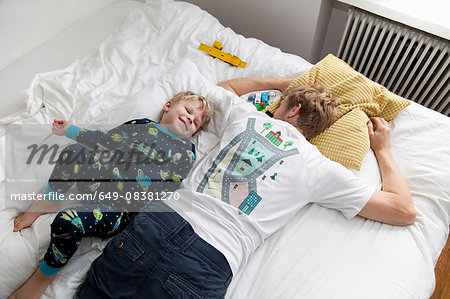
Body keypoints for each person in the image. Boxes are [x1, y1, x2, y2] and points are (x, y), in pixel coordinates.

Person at [73, 77, 414, 298]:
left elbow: (222, 89)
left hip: (162, 222)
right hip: (212, 258)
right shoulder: (318, 167)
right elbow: (402, 210)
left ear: (291, 108)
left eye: (280, 103)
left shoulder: (249, 117)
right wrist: (383, 150)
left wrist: (280, 82)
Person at [8, 91, 211, 299]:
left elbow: (170, 187)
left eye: (195, 123)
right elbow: (103, 141)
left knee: (68, 221)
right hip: (100, 182)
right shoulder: (141, 125)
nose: (189, 119)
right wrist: (69, 130)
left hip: (118, 210)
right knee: (74, 152)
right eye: (188, 111)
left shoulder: (186, 151)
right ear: (168, 106)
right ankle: (49, 201)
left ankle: (43, 277)